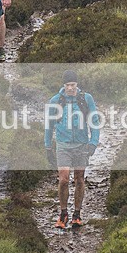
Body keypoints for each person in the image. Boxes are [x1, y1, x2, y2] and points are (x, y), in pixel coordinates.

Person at [44, 70, 100, 228]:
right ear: (63, 85)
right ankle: (63, 213)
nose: (70, 88)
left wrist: (93, 143)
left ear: (77, 84)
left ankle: (77, 213)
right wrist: (48, 147)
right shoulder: (56, 101)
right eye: (67, 85)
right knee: (63, 180)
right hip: (63, 145)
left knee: (80, 179)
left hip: (82, 145)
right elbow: (49, 126)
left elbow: (94, 122)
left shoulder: (86, 99)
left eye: (73, 85)